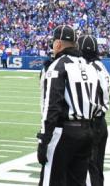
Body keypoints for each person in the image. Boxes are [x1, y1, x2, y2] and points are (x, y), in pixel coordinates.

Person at [37, 25, 95, 186]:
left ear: (58, 44)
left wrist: (43, 139)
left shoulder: (58, 65)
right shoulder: (88, 66)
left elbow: (51, 106)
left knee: (51, 181)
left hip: (64, 132)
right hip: (87, 130)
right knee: (77, 182)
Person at [77, 34, 110, 186]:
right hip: (101, 120)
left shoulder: (89, 68)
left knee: (89, 167)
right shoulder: (101, 66)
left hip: (92, 121)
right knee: (97, 166)